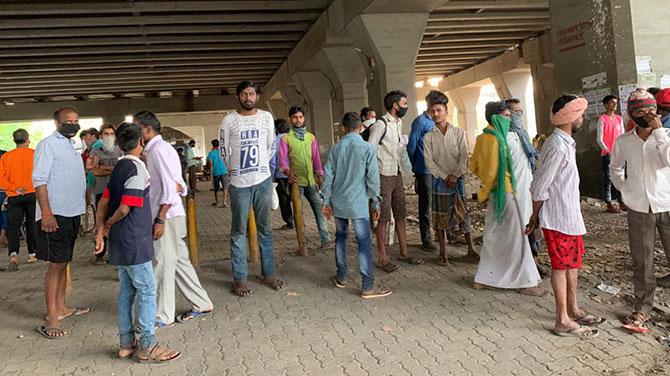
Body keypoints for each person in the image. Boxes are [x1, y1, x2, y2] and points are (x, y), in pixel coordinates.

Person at [94, 122, 181, 362]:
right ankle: (148, 344)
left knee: (126, 291)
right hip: (133, 238)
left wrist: (101, 228)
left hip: (121, 243)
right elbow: (124, 208)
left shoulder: (119, 167)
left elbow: (104, 201)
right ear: (141, 142)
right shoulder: (137, 169)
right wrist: (109, 224)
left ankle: (125, 343)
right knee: (146, 290)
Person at [527, 94, 604, 338]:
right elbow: (540, 185)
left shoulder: (565, 142)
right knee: (561, 267)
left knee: (572, 265)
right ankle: (562, 319)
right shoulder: (557, 146)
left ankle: (574, 309)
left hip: (569, 217)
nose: (582, 118)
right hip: (558, 218)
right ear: (571, 117)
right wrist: (535, 215)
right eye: (580, 114)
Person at [134, 111, 213, 327]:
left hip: (166, 216)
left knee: (162, 265)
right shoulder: (160, 150)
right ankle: (201, 302)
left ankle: (162, 315)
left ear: (147, 130)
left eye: (137, 128)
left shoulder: (158, 151)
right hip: (173, 213)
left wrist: (159, 219)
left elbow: (170, 189)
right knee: (179, 262)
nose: (134, 133)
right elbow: (180, 185)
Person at [469, 101, 543, 296]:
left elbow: (474, 166)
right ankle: (525, 282)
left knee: (494, 236)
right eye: (508, 116)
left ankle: (485, 278)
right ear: (497, 118)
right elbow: (495, 171)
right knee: (517, 238)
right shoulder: (500, 140)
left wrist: (485, 190)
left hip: (495, 193)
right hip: (509, 193)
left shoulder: (483, 138)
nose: (511, 119)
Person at [610, 89, 670, 330]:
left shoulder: (666, 136)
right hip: (638, 208)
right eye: (640, 111)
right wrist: (625, 190)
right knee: (642, 262)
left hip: (667, 204)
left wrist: (658, 134)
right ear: (631, 114)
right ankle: (642, 308)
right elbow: (614, 168)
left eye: (650, 110)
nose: (646, 114)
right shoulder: (624, 142)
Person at [220, 80, 285, 296]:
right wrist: (233, 170)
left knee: (265, 229)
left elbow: (271, 145)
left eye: (252, 94)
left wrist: (261, 167)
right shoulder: (229, 120)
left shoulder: (266, 117)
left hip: (262, 181)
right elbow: (223, 149)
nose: (248, 98)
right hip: (239, 184)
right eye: (244, 94)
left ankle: (269, 273)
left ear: (257, 96)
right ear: (238, 96)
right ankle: (240, 279)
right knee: (238, 231)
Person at [322, 112, 392, 299]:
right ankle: (367, 286)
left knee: (340, 237)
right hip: (359, 203)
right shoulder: (367, 148)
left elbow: (328, 177)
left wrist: (326, 201)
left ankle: (342, 276)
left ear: (343, 128)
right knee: (363, 243)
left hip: (339, 202)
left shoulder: (335, 149)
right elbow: (372, 178)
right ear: (360, 127)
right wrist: (376, 202)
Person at [33, 106, 90, 339]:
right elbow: (39, 179)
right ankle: (52, 318)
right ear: (57, 123)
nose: (73, 125)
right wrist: (46, 213)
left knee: (64, 261)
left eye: (76, 120)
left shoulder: (71, 145)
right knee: (55, 265)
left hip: (71, 213)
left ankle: (63, 307)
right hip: (55, 215)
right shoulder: (47, 144)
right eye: (68, 121)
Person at [368, 90, 424, 273]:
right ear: (395, 106)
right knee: (383, 217)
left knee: (401, 214)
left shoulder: (398, 123)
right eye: (405, 104)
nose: (406, 107)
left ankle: (404, 252)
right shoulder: (380, 124)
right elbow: (369, 150)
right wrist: (372, 176)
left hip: (396, 174)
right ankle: (383, 256)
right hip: (383, 175)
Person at [423, 91, 477, 265]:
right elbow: (429, 162)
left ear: (446, 111)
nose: (436, 114)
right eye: (433, 111)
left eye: (439, 110)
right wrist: (445, 176)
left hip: (458, 180)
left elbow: (464, 157)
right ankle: (443, 252)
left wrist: (455, 174)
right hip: (440, 181)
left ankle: (470, 249)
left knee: (463, 214)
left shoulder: (459, 132)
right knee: (440, 217)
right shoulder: (428, 136)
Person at [279, 106, 334, 249]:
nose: (298, 120)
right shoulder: (286, 139)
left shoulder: (311, 137)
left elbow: (316, 158)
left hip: (311, 180)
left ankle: (325, 240)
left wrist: (320, 175)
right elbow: (283, 160)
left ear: (304, 118)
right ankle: (302, 243)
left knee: (319, 210)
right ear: (290, 119)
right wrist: (287, 172)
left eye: (300, 117)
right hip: (295, 181)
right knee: (298, 213)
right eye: (295, 117)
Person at [505, 97, 547, 276]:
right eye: (515, 112)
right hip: (514, 191)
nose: (519, 115)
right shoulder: (505, 137)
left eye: (520, 112)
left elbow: (531, 159)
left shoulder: (522, 134)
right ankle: (525, 265)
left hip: (528, 187)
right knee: (521, 228)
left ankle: (534, 260)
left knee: (533, 225)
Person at [0, 129, 37, 271]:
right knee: (32, 223)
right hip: (33, 193)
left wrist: (14, 188)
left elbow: (0, 179)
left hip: (14, 196)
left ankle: (13, 255)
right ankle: (32, 253)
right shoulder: (35, 154)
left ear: (14, 140)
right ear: (28, 139)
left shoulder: (6, 157)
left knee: (13, 226)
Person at [88, 123, 124, 264]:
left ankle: (116, 254)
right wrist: (112, 169)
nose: (109, 136)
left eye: (111, 133)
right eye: (106, 134)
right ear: (101, 135)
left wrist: (102, 167)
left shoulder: (120, 151)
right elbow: (93, 170)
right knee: (100, 222)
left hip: (117, 192)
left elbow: (121, 169)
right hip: (101, 191)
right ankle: (99, 253)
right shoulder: (95, 152)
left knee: (115, 221)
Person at [407, 91, 438, 252]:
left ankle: (442, 234)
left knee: (440, 202)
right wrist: (416, 166)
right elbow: (411, 146)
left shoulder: (437, 121)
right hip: (424, 169)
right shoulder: (420, 122)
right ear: (431, 106)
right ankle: (426, 239)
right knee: (425, 205)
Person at [596, 95, 625, 213]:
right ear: (606, 105)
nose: (615, 105)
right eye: (612, 103)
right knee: (608, 178)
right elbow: (599, 139)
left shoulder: (619, 119)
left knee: (620, 177)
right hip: (608, 153)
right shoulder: (602, 119)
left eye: (616, 103)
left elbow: (622, 135)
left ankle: (621, 201)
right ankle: (609, 203)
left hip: (620, 153)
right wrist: (608, 151)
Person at [270, 119, 294, 230]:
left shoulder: (275, 140)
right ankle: (299, 219)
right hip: (294, 174)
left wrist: (272, 175)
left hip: (281, 175)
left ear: (276, 128)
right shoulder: (292, 138)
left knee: (284, 199)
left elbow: (273, 160)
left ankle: (289, 221)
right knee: (295, 197)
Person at [207, 139, 229, 208]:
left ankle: (217, 202)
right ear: (219, 144)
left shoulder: (211, 153)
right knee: (225, 187)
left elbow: (211, 165)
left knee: (216, 188)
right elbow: (226, 161)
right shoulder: (222, 152)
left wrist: (211, 175)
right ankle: (224, 202)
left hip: (216, 172)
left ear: (212, 144)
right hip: (224, 171)